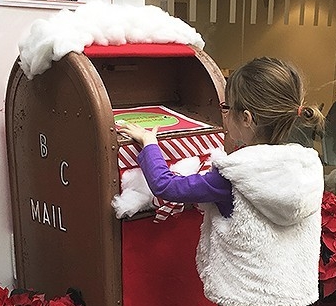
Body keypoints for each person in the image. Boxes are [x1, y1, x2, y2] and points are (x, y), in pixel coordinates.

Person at [118, 56, 325, 306]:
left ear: (247, 118)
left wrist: (150, 144)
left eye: (227, 109)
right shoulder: (307, 165)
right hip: (291, 293)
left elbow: (166, 186)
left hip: (246, 296)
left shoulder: (233, 175)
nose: (223, 116)